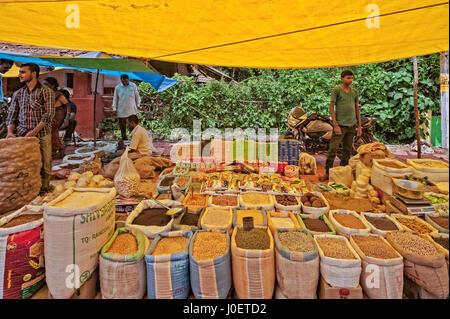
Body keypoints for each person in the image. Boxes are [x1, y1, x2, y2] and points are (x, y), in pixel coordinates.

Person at [6, 63, 55, 194]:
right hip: (23, 135)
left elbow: (49, 114)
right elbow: (12, 115)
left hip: (42, 134)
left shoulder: (46, 91)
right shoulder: (18, 94)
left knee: (45, 163)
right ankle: (28, 191)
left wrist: (34, 132)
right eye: (20, 72)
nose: (19, 75)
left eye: (23, 72)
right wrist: (10, 132)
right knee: (25, 163)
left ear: (33, 74)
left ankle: (44, 189)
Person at [319, 70, 362, 181]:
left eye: (352, 78)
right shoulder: (337, 90)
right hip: (340, 125)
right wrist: (335, 124)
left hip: (351, 125)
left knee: (347, 151)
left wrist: (359, 126)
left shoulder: (354, 92)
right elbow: (331, 107)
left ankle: (342, 173)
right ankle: (327, 173)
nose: (350, 80)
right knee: (333, 149)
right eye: (348, 78)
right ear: (342, 78)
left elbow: (357, 108)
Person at [112, 74, 141, 149]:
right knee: (123, 129)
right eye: (123, 81)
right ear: (121, 80)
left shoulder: (133, 86)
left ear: (128, 79)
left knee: (133, 128)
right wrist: (114, 109)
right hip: (122, 111)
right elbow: (115, 98)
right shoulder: (118, 87)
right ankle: (125, 143)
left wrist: (138, 104)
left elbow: (137, 96)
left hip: (132, 110)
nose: (124, 82)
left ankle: (134, 142)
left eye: (126, 81)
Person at [43, 77, 68, 159]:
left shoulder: (59, 95)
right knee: (51, 132)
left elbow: (67, 105)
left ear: (53, 85)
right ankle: (57, 150)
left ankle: (57, 149)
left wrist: (67, 118)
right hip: (49, 115)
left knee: (50, 129)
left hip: (57, 115)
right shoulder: (45, 94)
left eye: (46, 84)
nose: (44, 86)